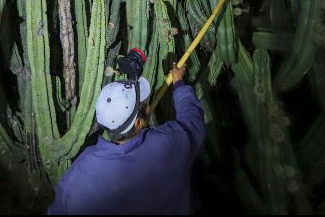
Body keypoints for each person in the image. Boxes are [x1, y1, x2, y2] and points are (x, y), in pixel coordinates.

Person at [47, 60, 206, 215]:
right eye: (142, 104)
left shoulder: (78, 176)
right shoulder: (167, 144)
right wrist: (178, 83)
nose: (145, 104)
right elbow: (193, 122)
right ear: (138, 123)